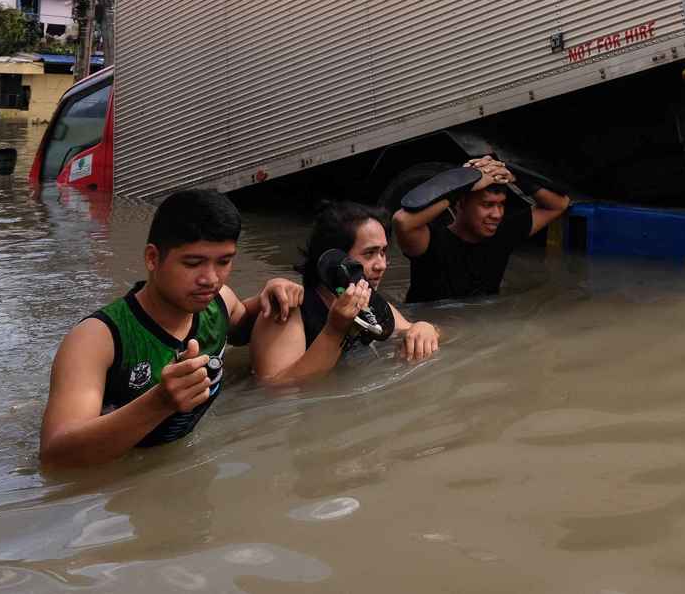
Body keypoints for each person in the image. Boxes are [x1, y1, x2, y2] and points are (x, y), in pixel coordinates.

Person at [39, 189, 305, 469]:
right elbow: (55, 456)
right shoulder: (96, 339)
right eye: (193, 263)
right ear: (152, 258)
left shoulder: (219, 303)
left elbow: (242, 325)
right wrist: (159, 403)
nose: (211, 279)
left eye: (224, 262)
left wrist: (274, 291)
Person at [251, 202, 440, 384]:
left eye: (383, 252)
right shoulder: (288, 309)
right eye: (369, 253)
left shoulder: (371, 305)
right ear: (334, 261)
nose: (381, 265)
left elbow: (413, 331)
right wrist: (335, 330)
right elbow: (276, 391)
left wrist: (424, 328)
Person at [393, 156, 571, 303]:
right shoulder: (430, 242)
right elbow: (402, 221)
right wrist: (463, 183)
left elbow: (559, 204)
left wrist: (514, 176)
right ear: (461, 204)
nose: (496, 214)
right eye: (487, 205)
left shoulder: (503, 234)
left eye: (501, 205)